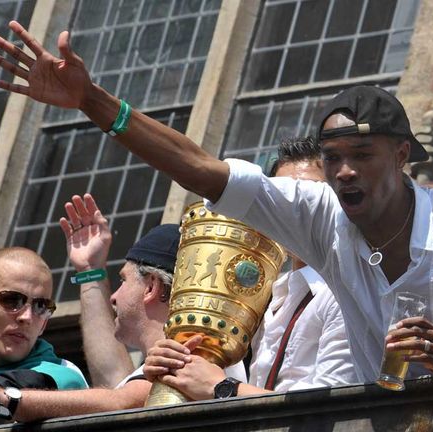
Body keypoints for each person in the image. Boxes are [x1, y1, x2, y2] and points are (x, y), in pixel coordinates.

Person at [0, 21, 433, 382]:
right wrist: (93, 102)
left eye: (363, 153)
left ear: (403, 154)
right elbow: (199, 167)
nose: (344, 170)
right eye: (332, 157)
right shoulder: (320, 214)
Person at [0, 195, 245, 422]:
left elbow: (119, 402)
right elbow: (115, 383)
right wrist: (90, 270)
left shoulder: (198, 350)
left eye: (123, 280)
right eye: (12, 301)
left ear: (151, 287)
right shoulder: (151, 372)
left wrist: (5, 397)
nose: (113, 296)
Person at [144, 136, 358, 399]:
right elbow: (243, 386)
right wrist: (180, 362)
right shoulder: (272, 298)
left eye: (309, 195)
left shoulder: (348, 290)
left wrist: (221, 389)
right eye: (283, 197)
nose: (293, 210)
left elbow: (335, 402)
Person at [0, 247, 88, 421]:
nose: (27, 317)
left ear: (44, 324)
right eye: (11, 300)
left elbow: (30, 384)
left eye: (41, 306)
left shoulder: (64, 375)